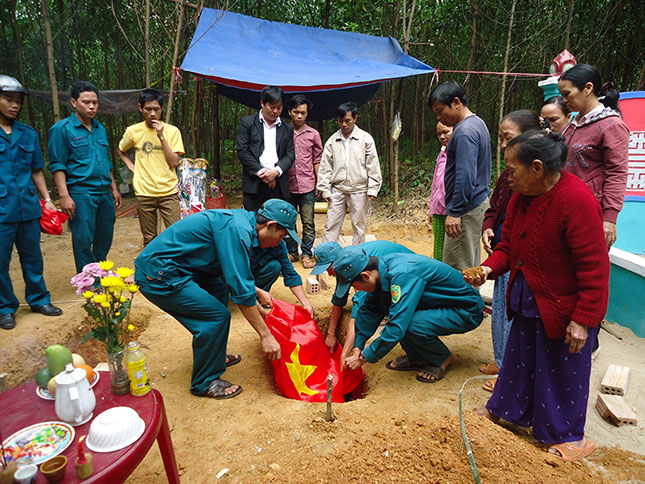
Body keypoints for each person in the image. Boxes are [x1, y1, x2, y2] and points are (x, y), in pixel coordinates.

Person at [464, 130, 609, 462]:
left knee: (563, 370)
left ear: (538, 168)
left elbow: (595, 269)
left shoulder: (576, 201)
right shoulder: (521, 196)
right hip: (529, 298)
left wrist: (583, 320)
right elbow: (507, 247)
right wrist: (487, 270)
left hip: (565, 307)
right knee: (519, 361)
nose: (507, 177)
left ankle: (570, 437)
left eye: (512, 169)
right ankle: (508, 411)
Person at [134, 199, 301, 399]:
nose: (279, 243)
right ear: (270, 225)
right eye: (281, 236)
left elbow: (236, 278)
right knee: (216, 317)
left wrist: (253, 296)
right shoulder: (237, 231)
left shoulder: (243, 224)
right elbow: (240, 289)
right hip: (160, 274)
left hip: (187, 268)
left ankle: (215, 357)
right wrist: (265, 336)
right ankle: (205, 382)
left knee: (219, 290)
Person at [338, 247, 485, 383]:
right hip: (438, 306)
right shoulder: (382, 270)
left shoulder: (402, 274)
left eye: (354, 286)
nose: (356, 289)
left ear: (365, 275)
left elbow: (397, 326)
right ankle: (418, 358)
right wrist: (358, 346)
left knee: (406, 323)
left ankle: (441, 358)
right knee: (398, 313)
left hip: (466, 310)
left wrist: (364, 357)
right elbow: (370, 310)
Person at [479, 110, 542, 389]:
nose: (503, 145)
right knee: (502, 308)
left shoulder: (545, 188)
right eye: (501, 139)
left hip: (521, 260)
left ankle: (508, 372)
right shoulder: (510, 176)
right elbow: (495, 206)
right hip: (503, 252)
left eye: (509, 138)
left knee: (515, 313)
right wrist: (489, 226)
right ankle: (502, 362)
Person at [0, 75, 62, 330]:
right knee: (1, 262)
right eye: (8, 99)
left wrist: (47, 199)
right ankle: (5, 308)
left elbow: (37, 170)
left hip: (27, 207)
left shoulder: (28, 133)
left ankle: (39, 299)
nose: (14, 105)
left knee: (33, 257)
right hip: (1, 211)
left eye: (18, 101)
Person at [48, 80, 122, 273]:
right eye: (86, 102)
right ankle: (87, 278)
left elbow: (106, 161)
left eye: (95, 103)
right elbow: (57, 166)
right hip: (81, 192)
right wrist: (64, 196)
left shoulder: (100, 129)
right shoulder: (61, 130)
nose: (91, 106)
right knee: (83, 237)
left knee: (105, 234)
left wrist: (114, 188)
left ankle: (99, 270)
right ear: (74, 102)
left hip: (104, 190)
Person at [558, 63, 630, 249]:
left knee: (586, 271)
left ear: (588, 88)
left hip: (591, 213)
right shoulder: (571, 125)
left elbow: (617, 173)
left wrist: (610, 219)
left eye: (568, 94)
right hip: (566, 208)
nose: (564, 100)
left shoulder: (611, 125)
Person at [310, 240, 414, 359]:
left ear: (336, 261)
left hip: (407, 276)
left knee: (400, 318)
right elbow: (338, 301)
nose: (328, 273)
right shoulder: (346, 264)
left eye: (328, 268)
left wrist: (345, 355)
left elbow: (357, 317)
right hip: (396, 275)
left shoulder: (357, 268)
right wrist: (330, 334)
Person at [429, 80, 491, 271]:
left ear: (456, 102)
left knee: (457, 270)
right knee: (470, 264)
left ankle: (462, 302)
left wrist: (455, 212)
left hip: (466, 209)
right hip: (476, 204)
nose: (439, 117)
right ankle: (472, 300)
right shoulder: (477, 123)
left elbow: (465, 175)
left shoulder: (465, 131)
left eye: (441, 110)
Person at [117, 88, 185, 246]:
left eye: (156, 109)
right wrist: (132, 167)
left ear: (162, 109)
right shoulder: (134, 131)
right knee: (149, 238)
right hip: (144, 192)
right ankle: (153, 269)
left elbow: (173, 162)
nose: (153, 113)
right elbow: (121, 150)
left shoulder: (172, 131)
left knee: (176, 234)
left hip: (169, 191)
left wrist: (161, 136)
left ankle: (175, 268)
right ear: (140, 108)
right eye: (148, 109)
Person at [317, 102, 382, 245]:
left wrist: (373, 188)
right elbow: (325, 167)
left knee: (359, 227)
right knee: (331, 225)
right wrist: (325, 190)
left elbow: (373, 165)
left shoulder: (366, 139)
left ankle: (357, 255)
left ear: (355, 118)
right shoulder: (332, 141)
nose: (344, 124)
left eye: (347, 120)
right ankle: (328, 255)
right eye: (341, 121)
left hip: (359, 189)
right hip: (337, 190)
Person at [237, 86, 295, 212]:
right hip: (254, 183)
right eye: (271, 107)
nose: (275, 111)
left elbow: (290, 155)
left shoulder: (287, 128)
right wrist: (263, 173)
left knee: (279, 224)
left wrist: (276, 172)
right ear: (262, 103)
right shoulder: (248, 123)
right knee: (252, 223)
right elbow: (243, 151)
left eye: (279, 108)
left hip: (279, 184)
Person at [285, 94, 322, 267]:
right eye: (296, 112)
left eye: (303, 113)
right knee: (288, 221)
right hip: (287, 186)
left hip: (307, 185)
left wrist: (319, 182)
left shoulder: (313, 134)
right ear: (289, 112)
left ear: (307, 114)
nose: (299, 116)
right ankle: (292, 251)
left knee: (308, 221)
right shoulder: (282, 132)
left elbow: (317, 159)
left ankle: (307, 253)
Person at [250, 232, 314, 318]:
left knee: (274, 266)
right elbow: (236, 274)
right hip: (234, 277)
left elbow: (291, 274)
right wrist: (260, 293)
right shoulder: (246, 240)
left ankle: (256, 299)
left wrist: (306, 303)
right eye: (280, 236)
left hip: (253, 275)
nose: (281, 240)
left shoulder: (279, 245)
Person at [428, 121, 453, 261]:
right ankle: (438, 274)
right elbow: (435, 184)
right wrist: (431, 208)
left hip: (452, 210)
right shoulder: (441, 154)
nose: (442, 137)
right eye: (439, 134)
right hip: (438, 209)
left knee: (451, 248)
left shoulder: (460, 153)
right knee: (438, 247)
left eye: (446, 132)